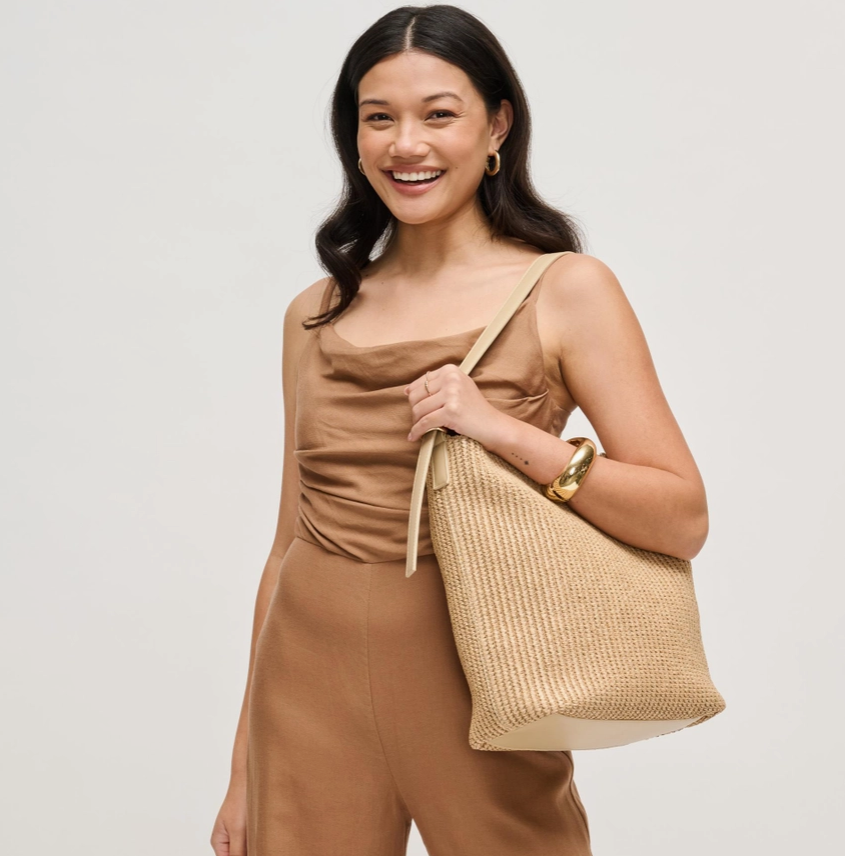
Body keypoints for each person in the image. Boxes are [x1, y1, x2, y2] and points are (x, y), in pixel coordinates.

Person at [210, 5, 709, 855]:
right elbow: (285, 543)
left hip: (484, 683)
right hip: (305, 690)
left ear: (496, 127)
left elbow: (681, 517)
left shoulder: (565, 290)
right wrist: (242, 771)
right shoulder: (315, 314)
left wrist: (504, 433)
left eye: (438, 114)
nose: (406, 144)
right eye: (378, 118)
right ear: (353, 137)